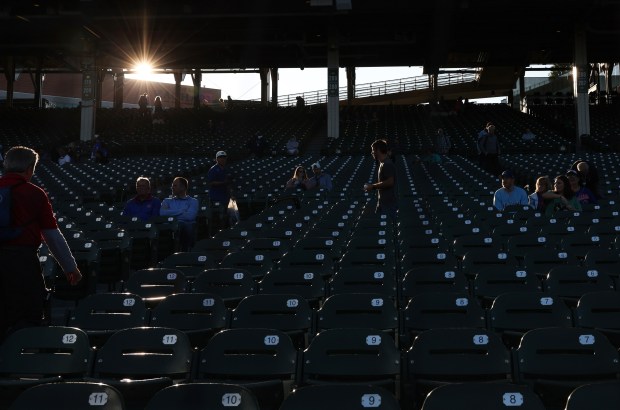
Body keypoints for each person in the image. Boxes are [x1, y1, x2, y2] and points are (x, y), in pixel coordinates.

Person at [0, 146, 82, 342]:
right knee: (26, 318)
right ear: (30, 168)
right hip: (22, 263)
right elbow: (52, 236)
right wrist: (70, 267)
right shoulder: (35, 193)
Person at [160, 176, 199, 252]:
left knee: (181, 224)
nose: (172, 187)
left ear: (183, 187)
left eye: (175, 185)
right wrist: (181, 211)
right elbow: (162, 213)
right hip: (169, 228)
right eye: (172, 185)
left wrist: (171, 215)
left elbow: (190, 217)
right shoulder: (166, 201)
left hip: (185, 229)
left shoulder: (193, 201)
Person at [364, 139, 398, 218]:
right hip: (384, 203)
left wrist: (372, 187)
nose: (372, 152)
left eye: (373, 150)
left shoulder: (387, 164)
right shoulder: (383, 163)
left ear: (378, 150)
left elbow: (390, 182)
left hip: (388, 205)